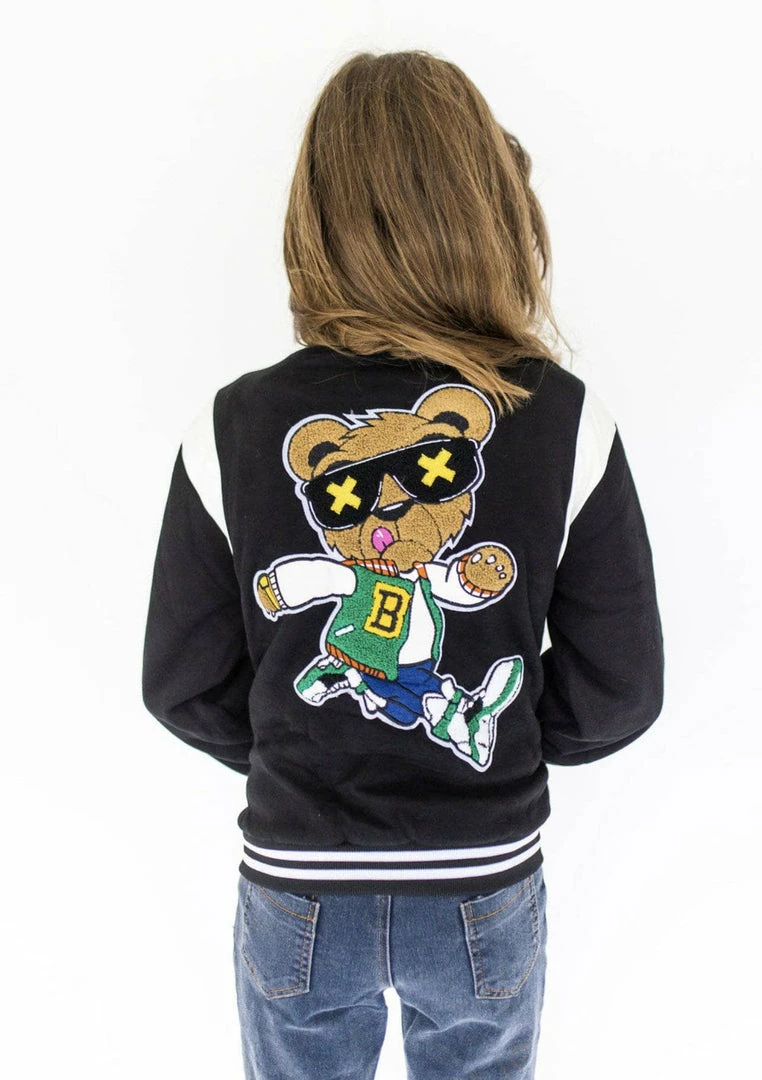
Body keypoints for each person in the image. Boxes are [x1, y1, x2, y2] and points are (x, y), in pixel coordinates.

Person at [141, 49, 665, 1080]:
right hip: (480, 876)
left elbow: (182, 682)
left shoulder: (231, 427)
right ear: (491, 204)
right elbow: (620, 688)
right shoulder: (565, 419)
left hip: (298, 875)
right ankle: (454, 710)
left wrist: (299, 748)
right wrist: (508, 741)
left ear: (314, 220)